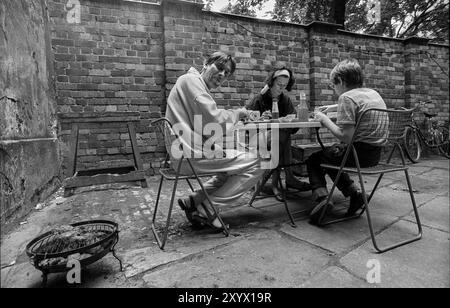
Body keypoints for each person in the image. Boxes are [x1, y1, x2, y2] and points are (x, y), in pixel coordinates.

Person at [165, 51, 265, 231]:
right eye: (219, 68)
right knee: (263, 161)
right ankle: (208, 208)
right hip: (188, 155)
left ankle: (194, 200)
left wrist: (214, 145)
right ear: (205, 64)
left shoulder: (191, 84)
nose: (222, 75)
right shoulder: (190, 81)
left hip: (185, 151)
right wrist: (238, 113)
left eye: (226, 74)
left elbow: (201, 126)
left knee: (231, 165)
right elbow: (213, 122)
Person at [307, 58, 387, 223]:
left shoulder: (346, 98)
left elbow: (346, 136)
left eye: (333, 85)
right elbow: (358, 105)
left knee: (315, 159)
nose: (334, 89)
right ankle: (355, 194)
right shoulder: (373, 94)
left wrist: (324, 119)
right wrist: (332, 108)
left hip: (358, 154)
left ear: (341, 81)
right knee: (332, 156)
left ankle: (322, 199)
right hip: (376, 154)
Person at [246, 67, 311, 200]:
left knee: (282, 136)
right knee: (281, 135)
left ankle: (278, 183)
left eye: (284, 85)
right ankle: (288, 178)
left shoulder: (285, 100)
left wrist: (293, 119)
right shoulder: (260, 98)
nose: (281, 88)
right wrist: (259, 118)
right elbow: (246, 123)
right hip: (257, 138)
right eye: (278, 84)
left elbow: (293, 128)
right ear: (271, 82)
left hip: (277, 139)